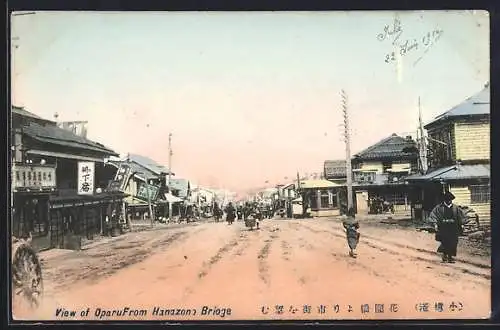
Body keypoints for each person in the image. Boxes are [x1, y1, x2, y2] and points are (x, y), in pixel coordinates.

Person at [427, 191, 465, 263]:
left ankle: (450, 257)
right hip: (443, 227)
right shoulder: (439, 208)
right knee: (445, 242)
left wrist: (462, 224)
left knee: (453, 242)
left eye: (450, 200)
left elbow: (460, 216)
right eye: (448, 200)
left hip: (453, 227)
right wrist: (435, 224)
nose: (449, 201)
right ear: (445, 200)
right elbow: (433, 215)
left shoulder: (455, 208)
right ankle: (444, 256)